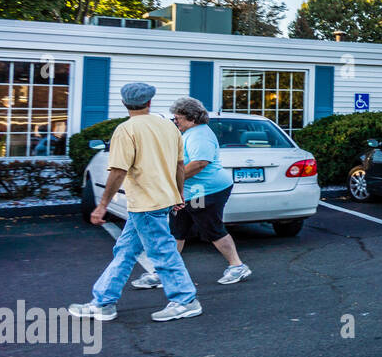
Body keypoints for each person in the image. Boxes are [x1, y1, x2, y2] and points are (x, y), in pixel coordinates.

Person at [69, 83, 202, 322]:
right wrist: (179, 193)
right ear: (149, 102)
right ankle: (103, 302)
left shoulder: (125, 130)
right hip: (157, 201)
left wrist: (102, 205)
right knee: (125, 252)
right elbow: (179, 165)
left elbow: (118, 170)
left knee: (162, 253)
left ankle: (185, 299)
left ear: (123, 103)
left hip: (145, 203)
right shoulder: (169, 127)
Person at [130, 96, 251, 288]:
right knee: (177, 231)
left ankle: (237, 266)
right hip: (191, 191)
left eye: (177, 117)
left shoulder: (199, 135)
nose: (175, 121)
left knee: (212, 229)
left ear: (191, 117)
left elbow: (200, 163)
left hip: (205, 191)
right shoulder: (191, 132)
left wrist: (170, 180)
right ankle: (164, 272)